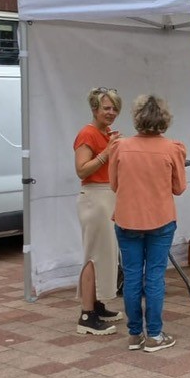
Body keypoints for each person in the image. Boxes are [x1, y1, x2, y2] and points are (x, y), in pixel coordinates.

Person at [109, 95, 187, 352]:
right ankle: (154, 334)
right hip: (160, 219)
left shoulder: (120, 147)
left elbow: (114, 185)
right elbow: (179, 188)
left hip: (127, 218)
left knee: (132, 275)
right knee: (154, 276)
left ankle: (134, 335)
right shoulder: (173, 148)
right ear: (164, 120)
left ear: (136, 118)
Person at [74, 86, 123, 335]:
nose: (111, 112)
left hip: (106, 195)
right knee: (93, 255)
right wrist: (107, 153)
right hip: (94, 196)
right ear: (95, 108)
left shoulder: (105, 133)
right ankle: (87, 314)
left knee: (105, 253)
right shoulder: (88, 134)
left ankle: (98, 304)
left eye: (114, 108)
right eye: (107, 108)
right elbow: (82, 170)